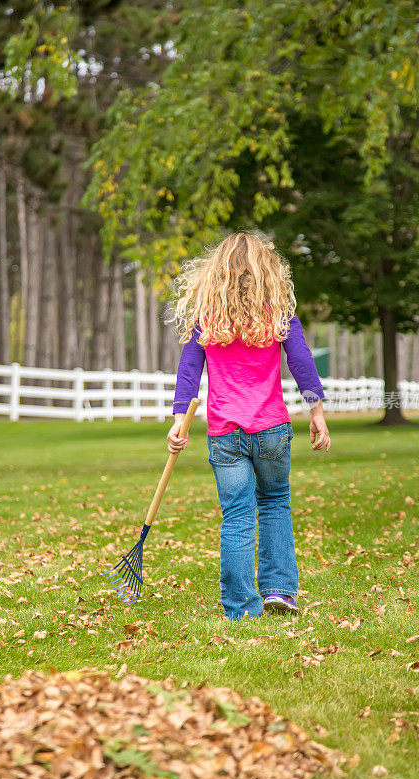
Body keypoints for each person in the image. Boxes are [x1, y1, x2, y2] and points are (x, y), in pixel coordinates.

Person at [167, 231, 330, 621]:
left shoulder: (206, 318)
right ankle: (279, 592)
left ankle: (242, 607)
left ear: (217, 271)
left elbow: (189, 370)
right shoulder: (277, 314)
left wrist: (179, 422)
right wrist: (317, 412)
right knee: (275, 504)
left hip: (225, 434)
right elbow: (303, 362)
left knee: (237, 515)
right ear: (267, 271)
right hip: (272, 429)